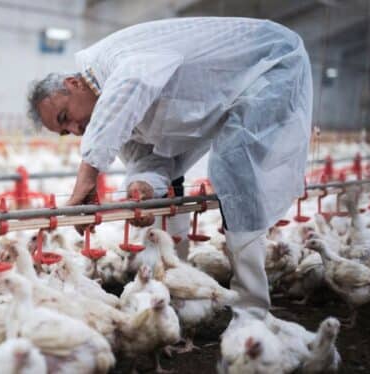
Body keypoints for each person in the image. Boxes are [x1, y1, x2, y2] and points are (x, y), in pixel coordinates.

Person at [26, 17, 313, 320]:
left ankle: (253, 309)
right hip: (240, 86)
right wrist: (143, 187)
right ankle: (181, 280)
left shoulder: (112, 61)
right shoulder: (114, 116)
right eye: (65, 131)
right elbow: (149, 161)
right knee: (215, 170)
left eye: (65, 117)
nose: (74, 129)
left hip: (270, 61)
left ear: (74, 84)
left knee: (235, 164)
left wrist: (87, 175)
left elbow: (131, 87)